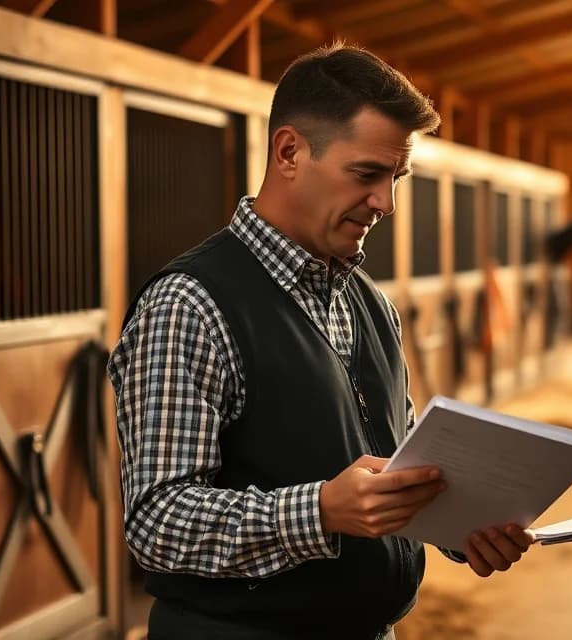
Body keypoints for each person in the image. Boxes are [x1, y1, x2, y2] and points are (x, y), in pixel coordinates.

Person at [109, 43, 532, 640]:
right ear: (289, 152)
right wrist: (318, 512)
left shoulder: (372, 303)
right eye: (367, 174)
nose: (385, 203)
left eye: (396, 178)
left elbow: (398, 468)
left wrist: (463, 524)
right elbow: (157, 522)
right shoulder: (190, 304)